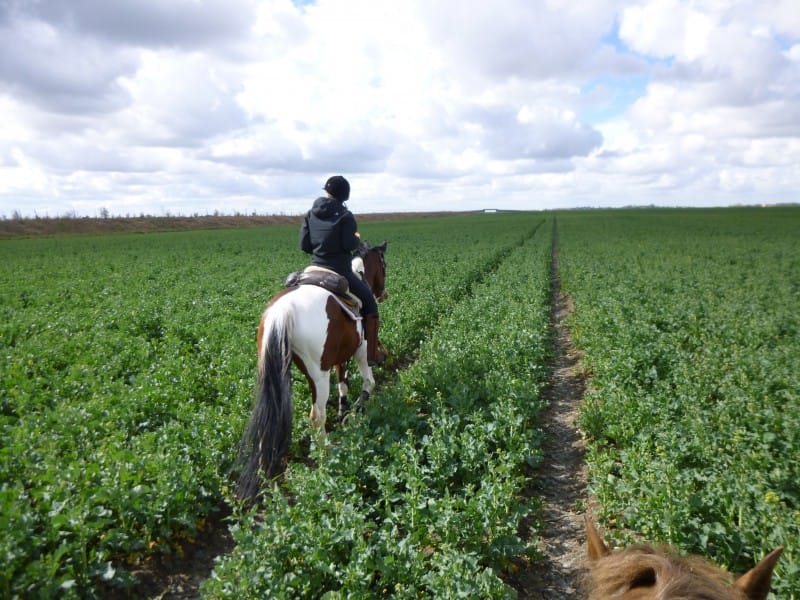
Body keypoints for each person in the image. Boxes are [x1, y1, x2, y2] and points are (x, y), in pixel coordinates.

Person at [300, 175, 386, 366]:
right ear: (345, 195)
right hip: (339, 270)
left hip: (313, 268)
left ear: (327, 192)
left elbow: (304, 245)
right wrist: (356, 238)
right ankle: (372, 353)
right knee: (370, 303)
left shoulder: (310, 213)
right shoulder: (346, 216)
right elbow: (349, 244)